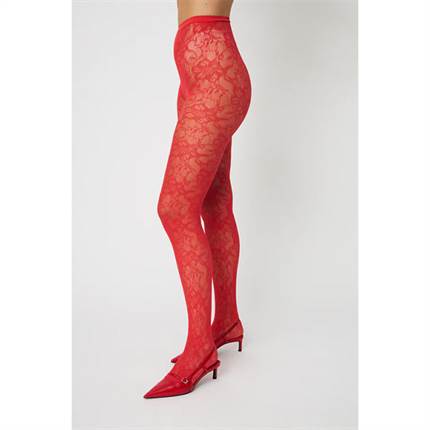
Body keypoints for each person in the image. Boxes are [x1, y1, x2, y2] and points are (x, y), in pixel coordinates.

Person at [144, 0, 251, 399]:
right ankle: (225, 321)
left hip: (213, 71)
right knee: (213, 201)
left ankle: (199, 348)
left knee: (174, 208)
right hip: (197, 72)